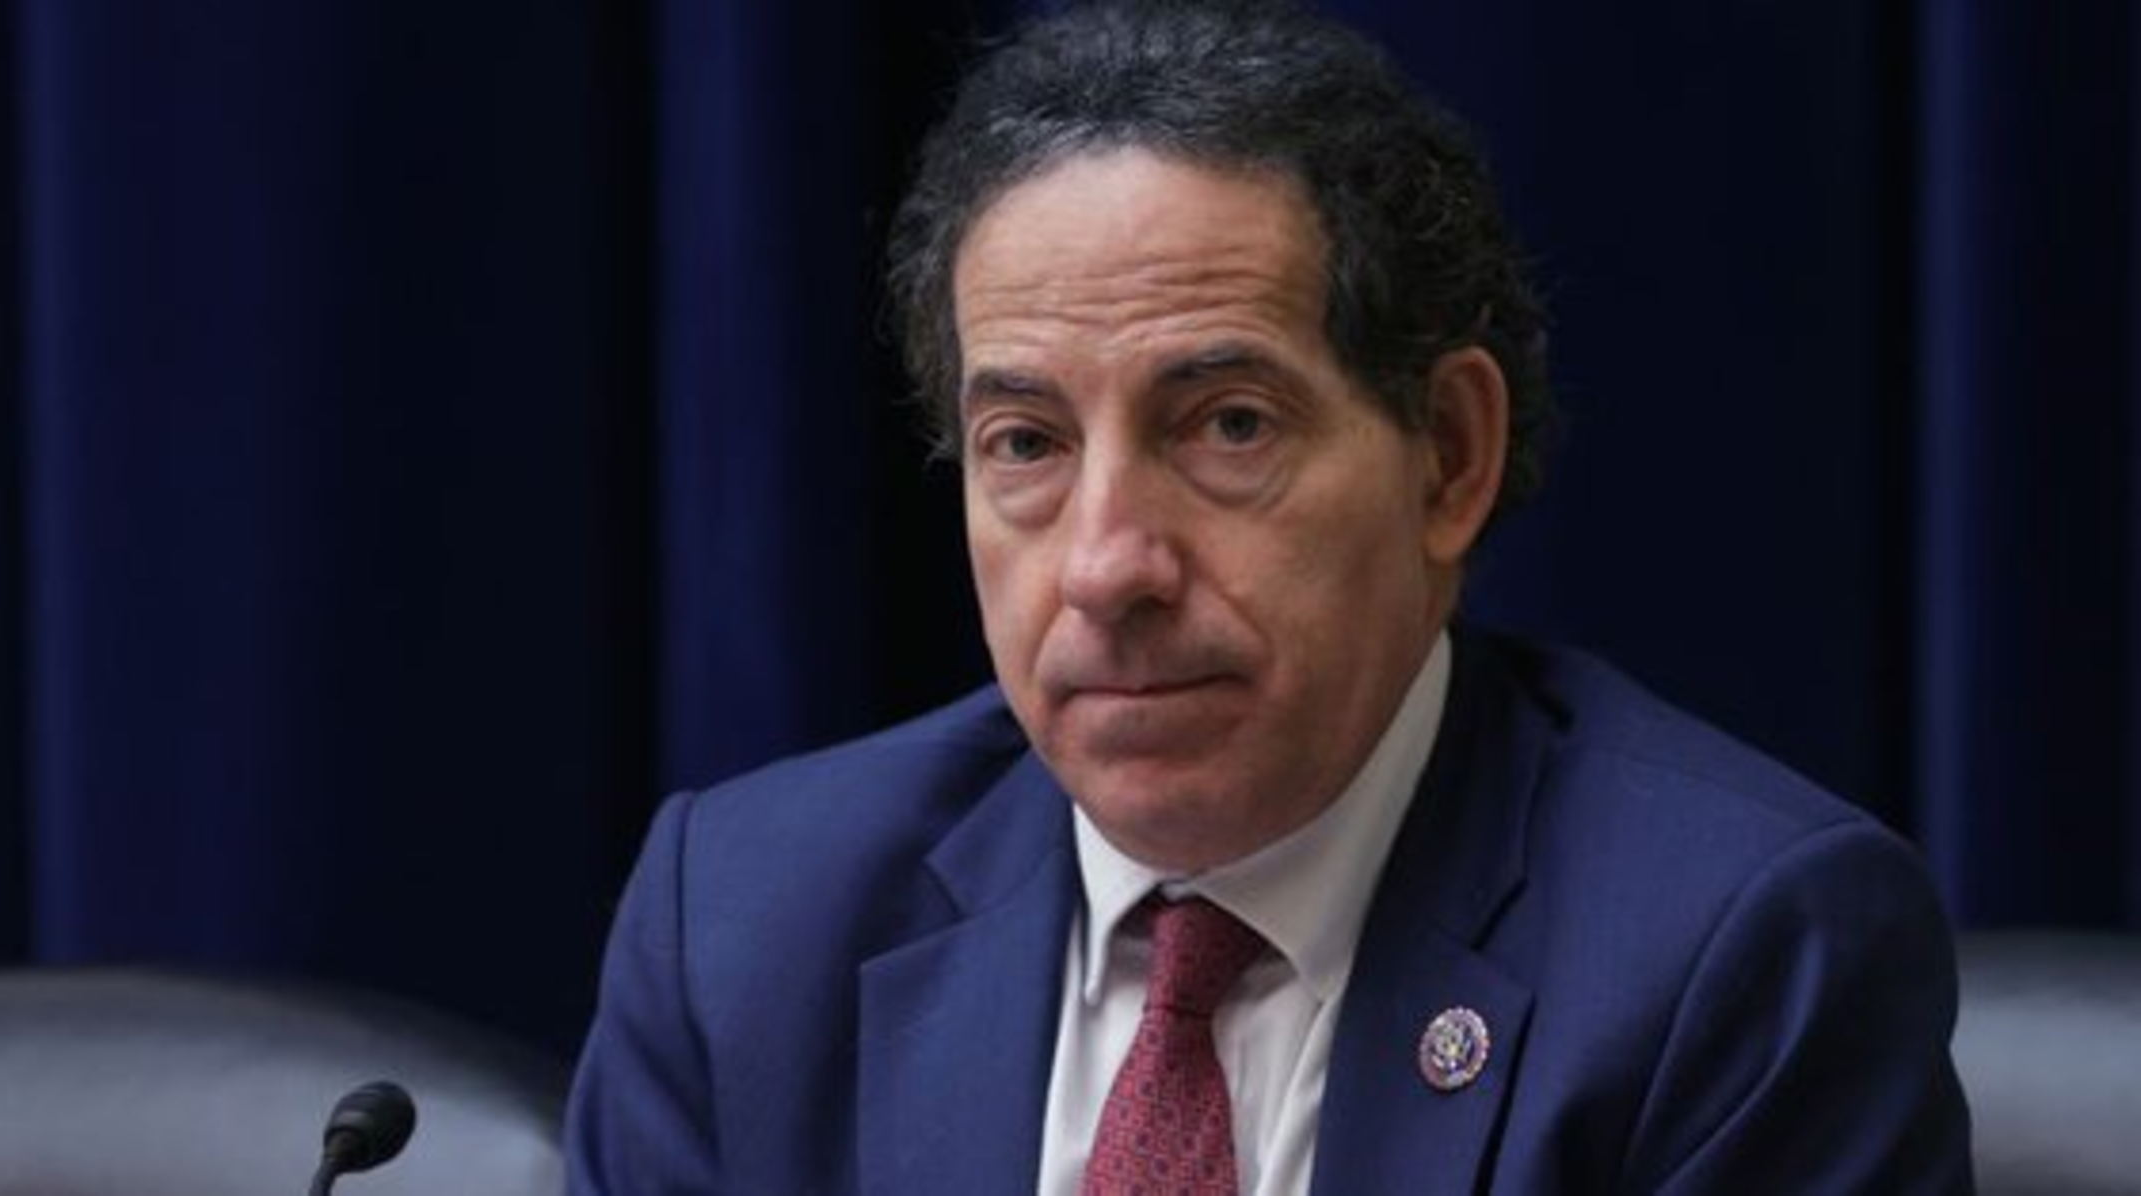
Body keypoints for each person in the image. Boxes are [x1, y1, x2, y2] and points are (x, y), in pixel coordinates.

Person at [564, 1, 1974, 1191]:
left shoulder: (1735, 958)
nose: (1107, 566)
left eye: (1226, 427)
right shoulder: (744, 931)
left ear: (1448, 457)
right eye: (1027, 445)